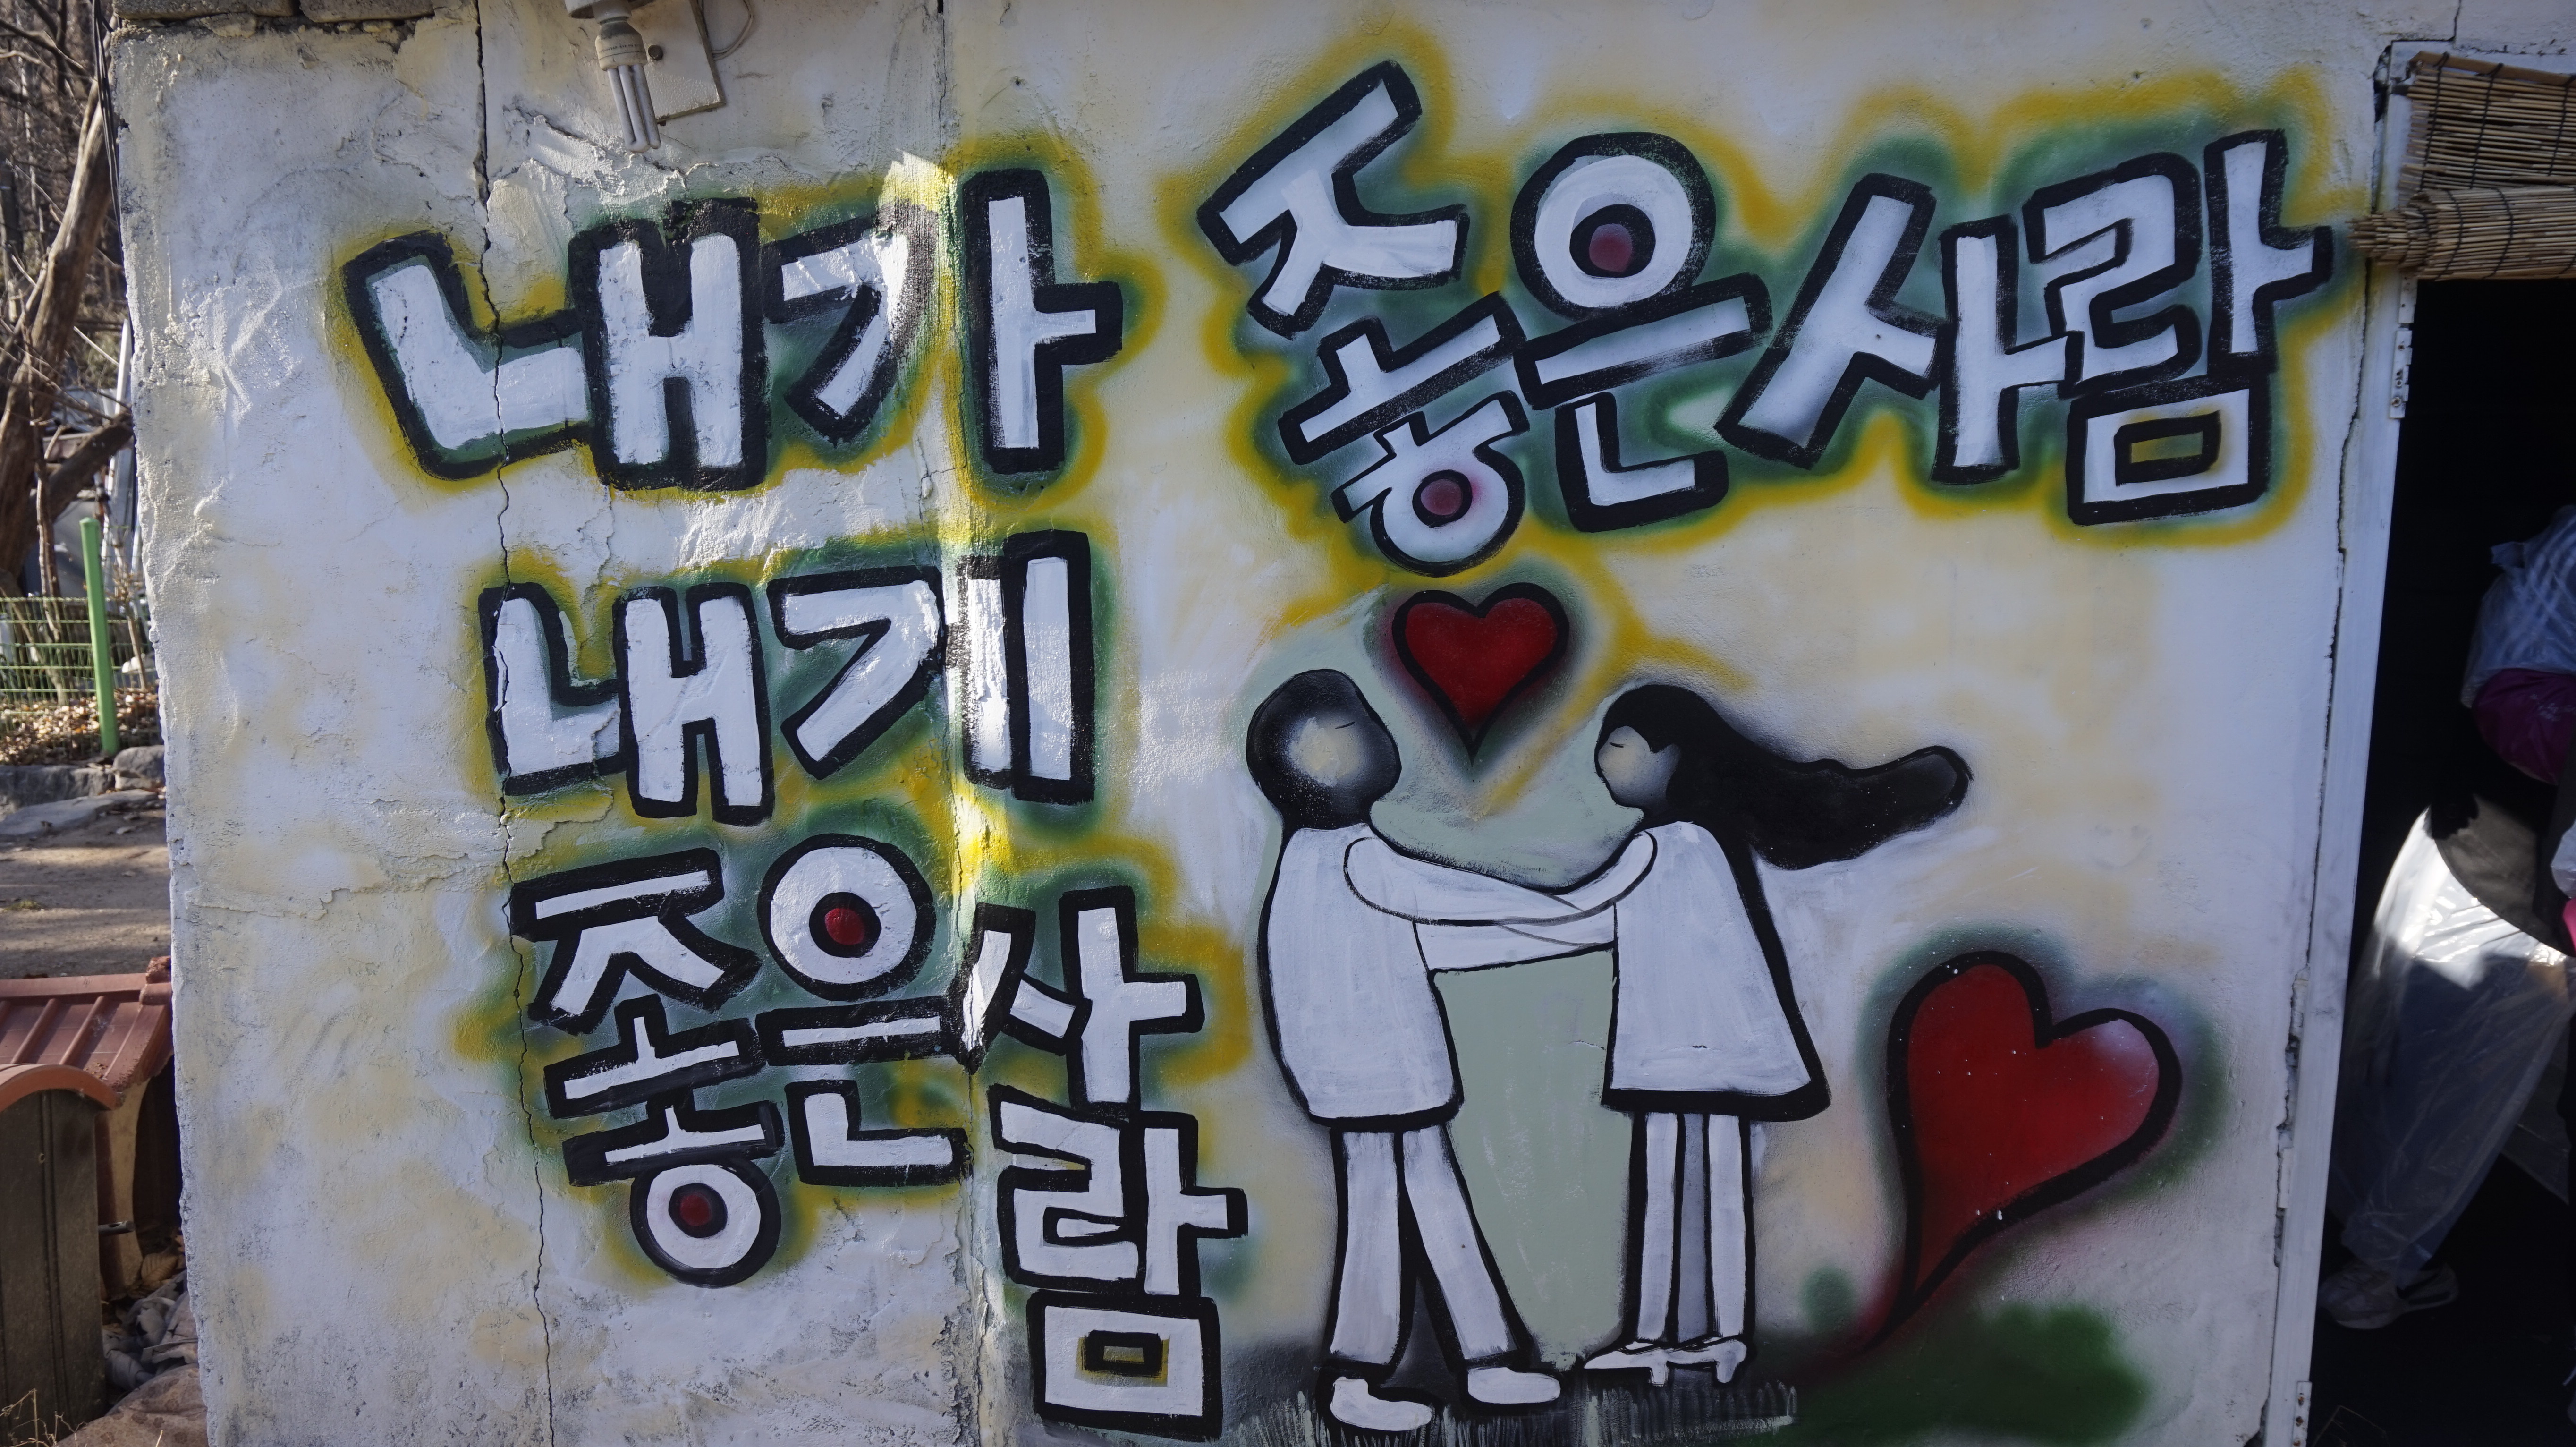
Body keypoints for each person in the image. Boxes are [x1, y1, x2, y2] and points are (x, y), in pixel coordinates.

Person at [1244, 669, 1649, 1432]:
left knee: (1430, 1205)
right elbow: (1454, 904)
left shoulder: (1312, 864)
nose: (1370, 739)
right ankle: (1362, 1373)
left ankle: (1483, 1361)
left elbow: (1444, 941)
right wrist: (1572, 914)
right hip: (1377, 1076)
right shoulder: (1355, 860)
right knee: (1386, 1218)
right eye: (1350, 731)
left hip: (1370, 1077)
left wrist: (1570, 927)